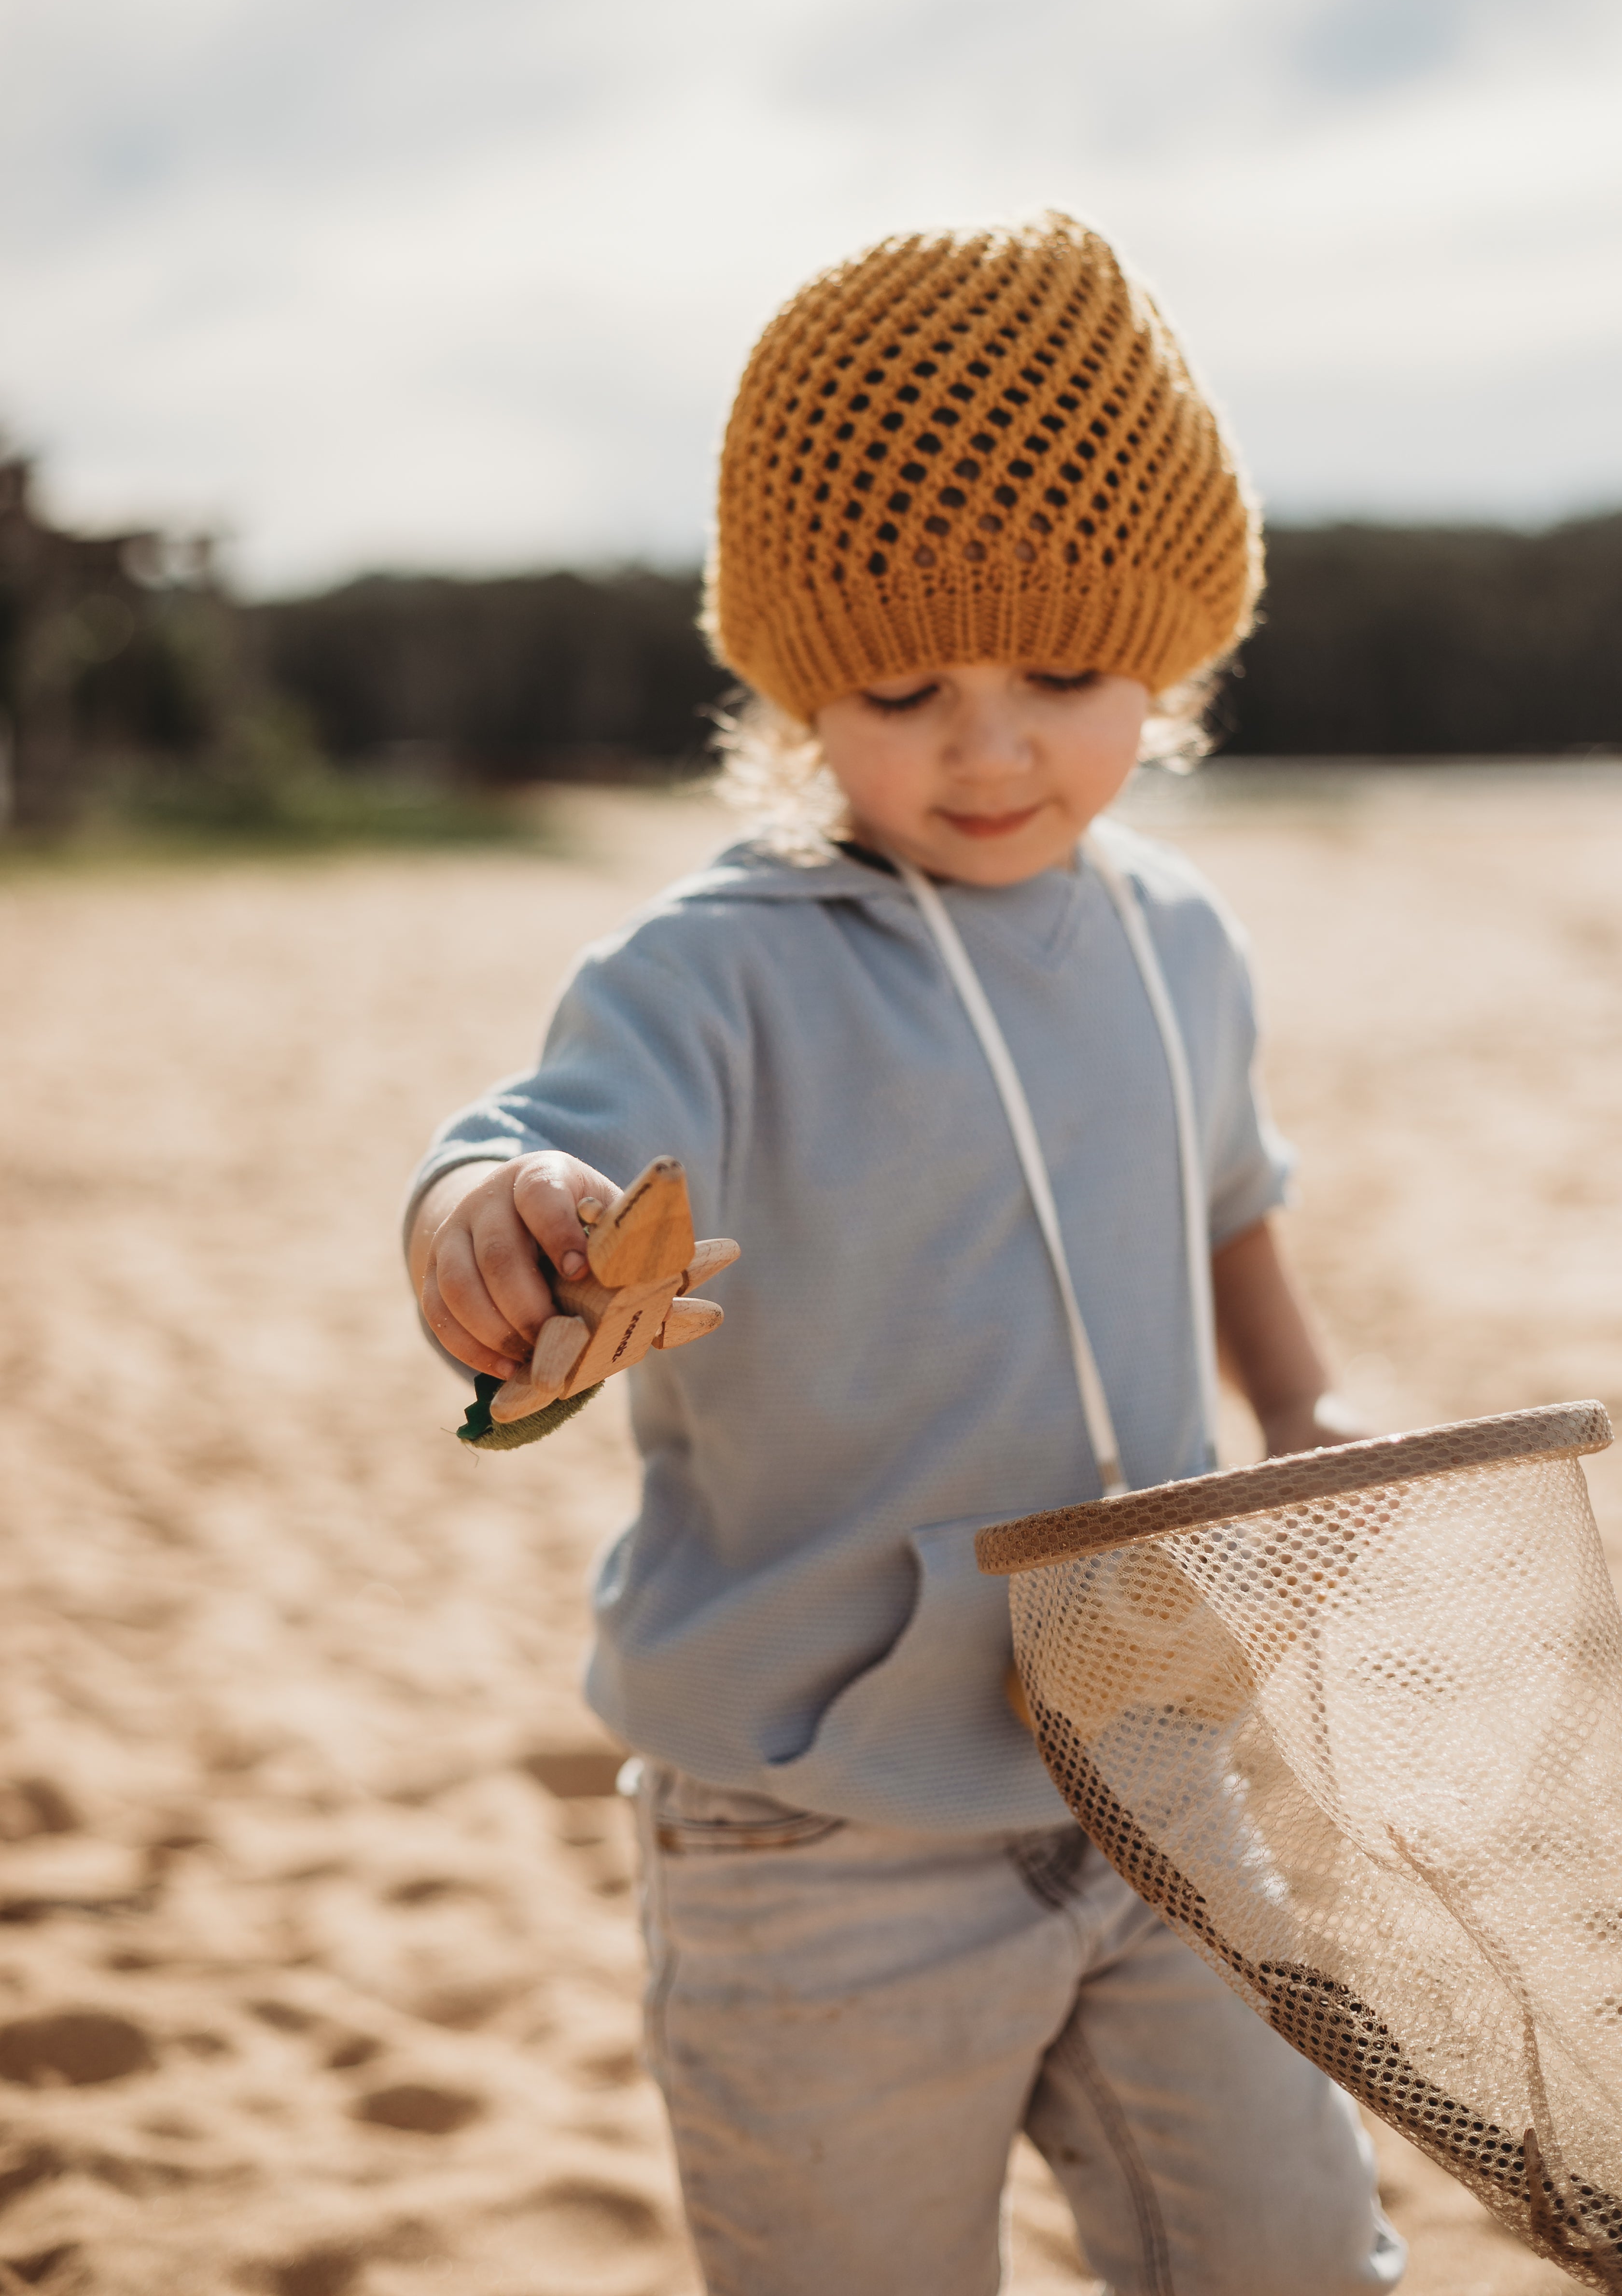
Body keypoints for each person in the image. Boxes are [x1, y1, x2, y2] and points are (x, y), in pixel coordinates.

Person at [405, 214, 1405, 2296]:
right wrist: (486, 1226)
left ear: (1175, 650)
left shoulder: (1175, 940)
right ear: (789, 681)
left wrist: (1305, 1400)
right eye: (900, 686)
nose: (990, 747)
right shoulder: (716, 974)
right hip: (817, 1829)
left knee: (1296, 2258)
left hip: (1158, 1770)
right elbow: (523, 1145)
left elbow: (1229, 1189)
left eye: (1061, 674)